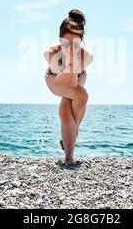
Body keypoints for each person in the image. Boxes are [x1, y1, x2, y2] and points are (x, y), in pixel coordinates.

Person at [44, 9, 94, 164]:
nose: (71, 48)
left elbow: (73, 82)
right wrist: (71, 63)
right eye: (66, 43)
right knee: (80, 96)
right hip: (55, 80)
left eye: (75, 44)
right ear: (60, 39)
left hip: (77, 78)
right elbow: (63, 82)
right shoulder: (50, 53)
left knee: (67, 109)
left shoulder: (87, 56)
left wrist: (74, 63)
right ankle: (73, 136)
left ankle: (68, 157)